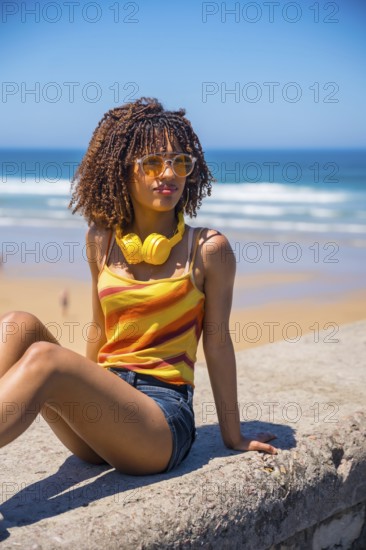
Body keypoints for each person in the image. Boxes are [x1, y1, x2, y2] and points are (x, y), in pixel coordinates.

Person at [0, 98, 277, 475]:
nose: (169, 173)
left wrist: (234, 436)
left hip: (159, 421)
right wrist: (89, 391)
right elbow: (100, 328)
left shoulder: (209, 250)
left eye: (180, 162)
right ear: (123, 171)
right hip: (106, 411)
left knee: (47, 361)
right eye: (153, 163)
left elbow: (217, 342)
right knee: (18, 324)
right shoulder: (102, 239)